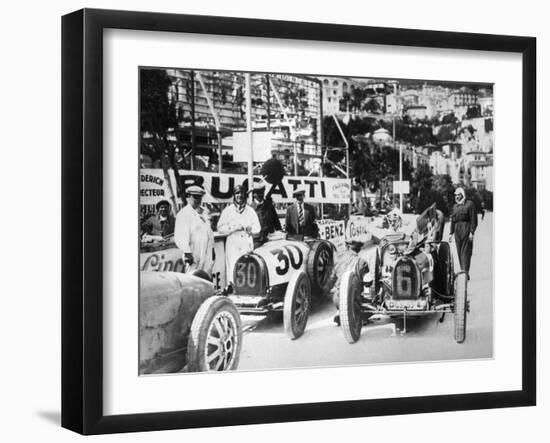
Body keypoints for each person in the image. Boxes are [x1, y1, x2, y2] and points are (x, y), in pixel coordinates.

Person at [217, 185, 261, 285]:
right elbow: (220, 228)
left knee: (246, 268)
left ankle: (246, 291)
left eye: (241, 193)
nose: (239, 195)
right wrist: (233, 228)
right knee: (233, 268)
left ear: (245, 195)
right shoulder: (227, 211)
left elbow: (258, 228)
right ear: (234, 195)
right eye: (237, 193)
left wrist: (251, 229)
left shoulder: (250, 211)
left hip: (246, 243)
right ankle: (232, 290)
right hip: (233, 244)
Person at [174, 186, 215, 275]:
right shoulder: (184, 213)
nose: (198, 199)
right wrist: (187, 252)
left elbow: (210, 233)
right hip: (193, 252)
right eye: (195, 197)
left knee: (206, 277)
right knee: (192, 278)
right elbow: (180, 236)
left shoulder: (205, 212)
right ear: (189, 197)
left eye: (200, 197)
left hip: (206, 252)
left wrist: (212, 249)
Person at [328, 240, 369, 326]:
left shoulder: (339, 261)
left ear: (347, 248)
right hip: (355, 298)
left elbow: (331, 279)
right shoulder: (362, 262)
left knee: (337, 294)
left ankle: (340, 312)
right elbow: (368, 282)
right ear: (359, 250)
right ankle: (360, 316)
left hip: (338, 298)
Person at [449, 187, 477, 278]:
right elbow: (453, 220)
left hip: (466, 229)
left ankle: (465, 272)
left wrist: (472, 232)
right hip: (457, 230)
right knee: (459, 251)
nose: (457, 197)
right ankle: (462, 271)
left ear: (463, 195)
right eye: (456, 195)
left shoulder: (470, 204)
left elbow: (473, 219)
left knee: (466, 252)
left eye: (458, 195)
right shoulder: (455, 206)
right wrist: (451, 233)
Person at [250, 182, 281, 247]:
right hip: (256, 241)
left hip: (270, 240)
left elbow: (276, 222)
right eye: (258, 193)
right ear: (254, 194)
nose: (260, 195)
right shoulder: (250, 208)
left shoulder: (269, 205)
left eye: (262, 192)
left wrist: (279, 233)